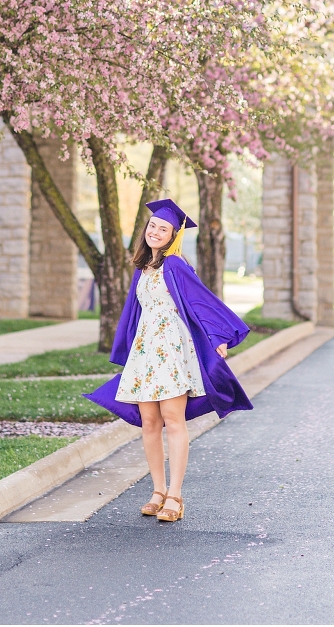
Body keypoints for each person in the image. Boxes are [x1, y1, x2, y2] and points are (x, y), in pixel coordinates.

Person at [85, 198, 252, 523]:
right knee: (149, 422)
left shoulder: (175, 265)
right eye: (152, 226)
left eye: (163, 229)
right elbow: (135, 312)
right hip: (146, 351)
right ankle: (157, 491)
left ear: (173, 234)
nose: (156, 232)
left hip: (172, 350)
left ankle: (175, 494)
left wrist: (216, 337)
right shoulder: (143, 268)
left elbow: (200, 300)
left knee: (173, 420)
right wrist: (126, 348)